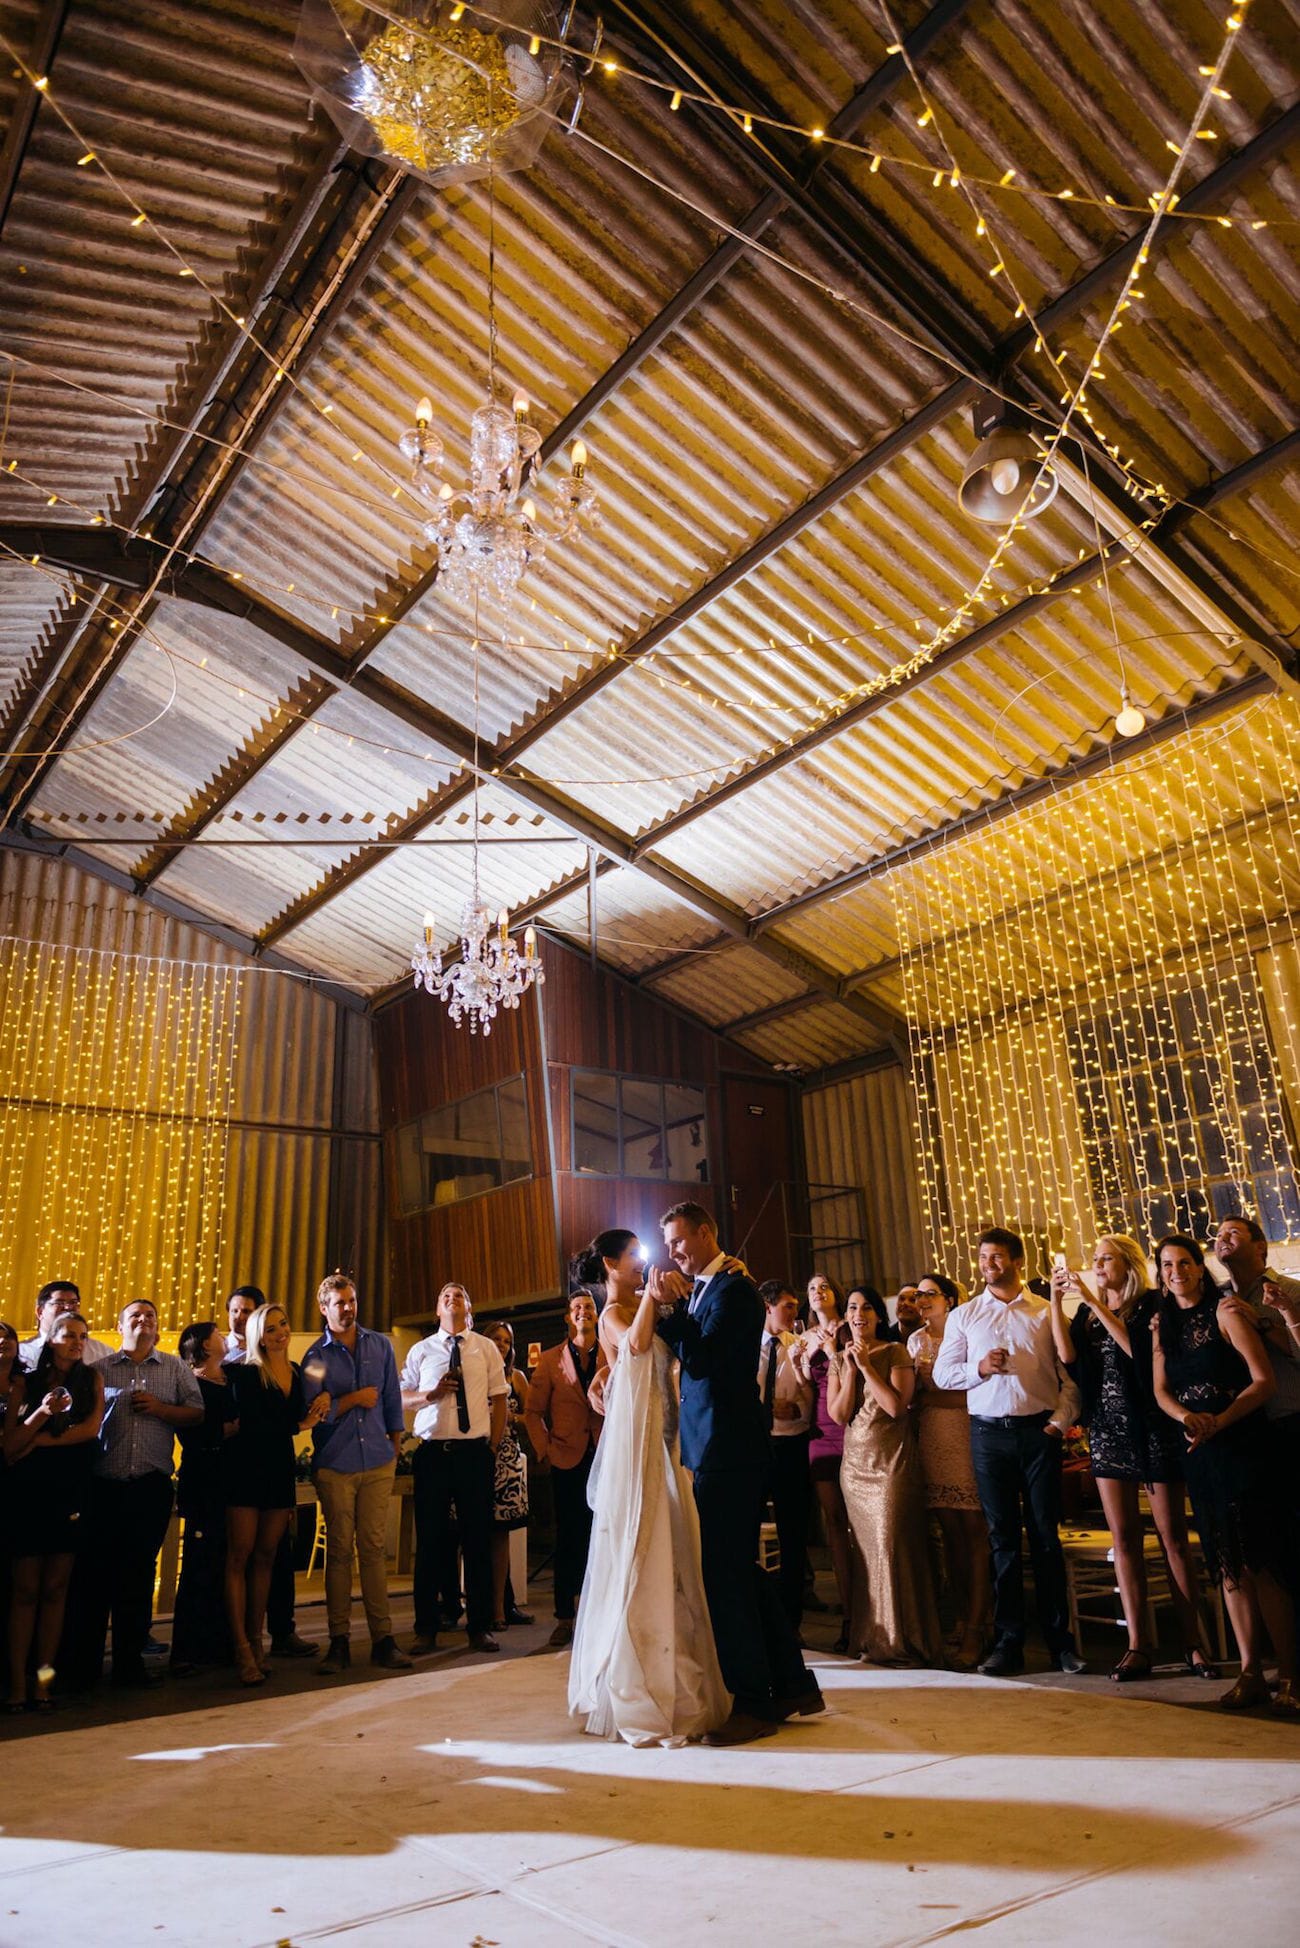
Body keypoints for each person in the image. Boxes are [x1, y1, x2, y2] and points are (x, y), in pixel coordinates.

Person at [654, 1201, 823, 1742]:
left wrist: (670, 1311)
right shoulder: (709, 1285)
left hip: (732, 1451)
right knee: (742, 1572)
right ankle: (794, 1684)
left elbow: (705, 1361)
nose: (674, 1252)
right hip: (714, 1447)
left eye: (680, 1241)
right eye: (669, 1244)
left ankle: (752, 1702)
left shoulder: (734, 1289)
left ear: (706, 1234)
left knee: (724, 1578)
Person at [568, 1228, 730, 1745]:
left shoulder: (645, 1301)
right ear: (611, 1266)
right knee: (644, 1546)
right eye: (634, 1255)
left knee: (678, 1551)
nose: (642, 1263)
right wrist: (651, 1304)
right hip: (638, 1447)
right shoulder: (614, 1313)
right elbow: (634, 1344)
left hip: (667, 1437)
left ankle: (678, 1665)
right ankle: (640, 1679)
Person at [1049, 1236, 1216, 1682]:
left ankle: (1192, 1642)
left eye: (1105, 1258)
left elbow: (1138, 1354)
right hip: (1106, 1430)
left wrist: (1092, 1300)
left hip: (1151, 1427)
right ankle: (1138, 1645)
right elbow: (1066, 1356)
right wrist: (1056, 1298)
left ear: (1127, 1264)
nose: (1098, 1265)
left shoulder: (1149, 1306)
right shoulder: (1086, 1313)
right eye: (1095, 1259)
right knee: (1123, 1540)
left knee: (1172, 1539)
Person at [1150, 1234, 1296, 1714]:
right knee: (1227, 1568)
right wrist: (1185, 1419)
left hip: (1243, 1443)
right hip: (1199, 1449)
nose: (1177, 1271)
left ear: (1199, 1267)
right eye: (1168, 1264)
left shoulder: (1227, 1311)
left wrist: (1219, 1421)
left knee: (1262, 1561)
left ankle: (1292, 1676)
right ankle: (1250, 1671)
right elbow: (1162, 1391)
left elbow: (1263, 1380)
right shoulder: (1163, 1326)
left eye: (1185, 1263)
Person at [932, 1228, 1084, 1677]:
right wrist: (978, 1369)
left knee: (1044, 1538)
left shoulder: (1044, 1312)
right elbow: (943, 1374)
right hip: (987, 1434)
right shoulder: (965, 1315)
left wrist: (1059, 1422)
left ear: (1017, 1261)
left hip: (1038, 1432)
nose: (987, 1265)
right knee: (1000, 1541)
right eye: (982, 1258)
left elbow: (1069, 1378)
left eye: (996, 1257)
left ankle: (1061, 1644)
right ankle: (1008, 1643)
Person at [71, 1300, 203, 1691]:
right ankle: (86, 1668)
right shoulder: (98, 1370)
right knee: (94, 1578)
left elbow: (197, 1412)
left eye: (150, 1316)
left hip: (149, 1486)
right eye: (135, 1316)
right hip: (104, 1486)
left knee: (138, 1576)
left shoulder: (175, 1367)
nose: (143, 1320)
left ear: (158, 1326)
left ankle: (130, 1665)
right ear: (120, 1325)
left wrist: (162, 1409)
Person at [302, 1274, 410, 1676]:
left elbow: (392, 1398)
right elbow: (311, 1413)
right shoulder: (314, 1358)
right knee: (340, 1553)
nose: (347, 1308)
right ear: (324, 1308)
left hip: (379, 1460)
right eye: (339, 1302)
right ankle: (339, 1642)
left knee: (374, 1550)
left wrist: (395, 1445)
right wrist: (352, 1400)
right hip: (336, 1464)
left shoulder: (380, 1344)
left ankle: (383, 1639)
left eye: (351, 1300)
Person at [828, 1288, 941, 1666]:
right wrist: (845, 1367)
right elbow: (840, 1415)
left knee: (892, 1545)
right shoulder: (840, 1359)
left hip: (890, 1461)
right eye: (852, 1308)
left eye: (867, 1308)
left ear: (879, 1315)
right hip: (855, 1466)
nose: (859, 1314)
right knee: (865, 1553)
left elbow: (896, 1407)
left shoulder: (895, 1352)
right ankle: (872, 1637)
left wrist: (864, 1368)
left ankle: (905, 1640)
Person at [224, 1304, 329, 1686]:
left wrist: (324, 1401)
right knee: (240, 1556)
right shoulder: (245, 1372)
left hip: (279, 1470)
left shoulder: (300, 1370)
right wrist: (300, 1423)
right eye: (270, 1329)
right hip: (246, 1470)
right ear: (257, 1335)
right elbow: (253, 1425)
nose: (280, 1332)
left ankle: (257, 1638)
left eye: (283, 1324)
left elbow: (319, 1384)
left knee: (267, 1556)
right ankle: (241, 1649)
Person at [401, 1282, 507, 1656]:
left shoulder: (485, 1348)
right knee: (430, 1541)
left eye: (459, 1294)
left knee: (477, 1540)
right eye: (444, 1295)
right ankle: (425, 1627)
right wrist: (430, 1395)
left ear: (469, 1306)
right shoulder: (421, 1350)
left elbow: (500, 1398)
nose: (451, 1298)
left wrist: (491, 1448)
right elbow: (401, 1396)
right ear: (436, 1310)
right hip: (432, 1453)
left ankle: (479, 1628)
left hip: (473, 1454)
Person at [5, 1314, 104, 1711]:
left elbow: (90, 1429)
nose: (77, 1342)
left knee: (55, 1591)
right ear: (51, 1338)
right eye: (69, 1336)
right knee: (25, 1591)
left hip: (71, 1491)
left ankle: (44, 1680)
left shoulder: (90, 1380)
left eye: (82, 1336)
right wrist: (43, 1413)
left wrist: (40, 1442)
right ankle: (16, 1684)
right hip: (29, 1494)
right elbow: (11, 1445)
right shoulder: (24, 1382)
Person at [907, 1273, 990, 1669]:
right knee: (950, 1536)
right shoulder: (915, 1341)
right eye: (918, 1295)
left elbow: (973, 1392)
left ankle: (980, 1623)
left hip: (964, 1434)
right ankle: (961, 1616)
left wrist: (934, 1395)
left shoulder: (968, 1333)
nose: (921, 1300)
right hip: (931, 1441)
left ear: (950, 1299)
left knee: (974, 1535)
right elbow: (913, 1396)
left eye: (930, 1294)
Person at [525, 1291, 607, 1649]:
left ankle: (602, 1615)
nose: (583, 1312)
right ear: (568, 1318)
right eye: (576, 1308)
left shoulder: (612, 1352)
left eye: (588, 1307)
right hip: (567, 1457)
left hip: (606, 1454)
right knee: (569, 1538)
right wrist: (545, 1449)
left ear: (596, 1314)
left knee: (603, 1536)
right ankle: (565, 1617)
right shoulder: (549, 1360)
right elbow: (532, 1412)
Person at [789, 1274, 852, 1651]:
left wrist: (833, 1351)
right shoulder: (805, 1337)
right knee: (834, 1523)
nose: (818, 1292)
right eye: (811, 1287)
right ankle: (848, 1613)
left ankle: (871, 1610)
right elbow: (807, 1389)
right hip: (820, 1430)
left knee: (860, 1521)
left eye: (825, 1286)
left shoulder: (848, 1328)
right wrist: (799, 1367)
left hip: (850, 1424)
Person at [170, 1322, 237, 1675]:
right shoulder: (189, 1383)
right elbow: (191, 1431)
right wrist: (227, 1429)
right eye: (217, 1332)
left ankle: (222, 1643)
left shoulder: (231, 1378)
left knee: (228, 1560)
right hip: (204, 1479)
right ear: (205, 1345)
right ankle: (187, 1648)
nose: (224, 1335)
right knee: (199, 1563)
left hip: (232, 1480)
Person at [757, 1281, 813, 1630]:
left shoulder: (801, 1347)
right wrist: (766, 1408)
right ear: (767, 1307)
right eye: (787, 1306)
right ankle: (758, 1615)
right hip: (758, 1446)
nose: (794, 1313)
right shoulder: (747, 1348)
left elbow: (813, 1391)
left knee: (794, 1534)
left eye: (796, 1306)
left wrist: (799, 1410)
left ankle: (792, 1620)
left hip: (793, 1444)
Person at [485, 1320, 533, 1631]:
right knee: (477, 1534)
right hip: (477, 1455)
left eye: (506, 1341)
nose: (501, 1345)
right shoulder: (474, 1372)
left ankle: (502, 1608)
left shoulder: (515, 1377)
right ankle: (482, 1605)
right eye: (496, 1339)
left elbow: (533, 1415)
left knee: (502, 1534)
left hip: (507, 1459)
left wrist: (510, 1416)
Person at [21, 1280, 113, 1364]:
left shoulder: (103, 1352)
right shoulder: (22, 1352)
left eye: (73, 1303)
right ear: (40, 1311)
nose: (68, 1307)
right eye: (59, 1303)